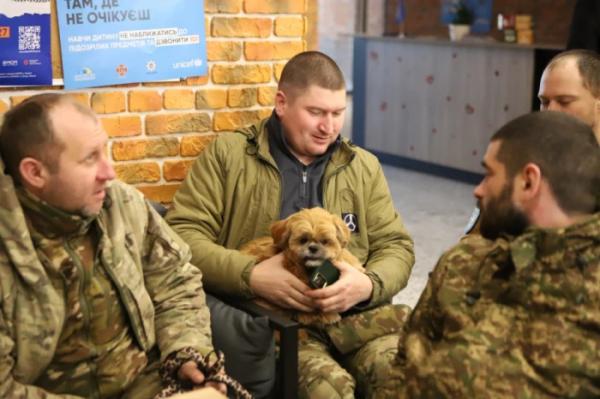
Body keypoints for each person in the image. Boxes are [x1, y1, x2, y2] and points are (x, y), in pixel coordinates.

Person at [166, 51, 415, 398]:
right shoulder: (230, 155)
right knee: (330, 391)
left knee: (405, 378)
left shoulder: (363, 166)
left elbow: (396, 245)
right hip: (282, 327)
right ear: (282, 104)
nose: (328, 127)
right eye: (316, 113)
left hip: (359, 320)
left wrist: (368, 284)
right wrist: (249, 275)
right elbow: (181, 236)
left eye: (337, 114)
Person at [0, 93, 228, 398]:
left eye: (104, 152)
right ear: (35, 172)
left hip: (147, 384)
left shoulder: (122, 204)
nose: (109, 172)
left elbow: (176, 281)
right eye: (90, 158)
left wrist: (186, 351)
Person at [378, 111, 600, 398]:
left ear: (528, 182)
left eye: (489, 174)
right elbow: (401, 369)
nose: (478, 189)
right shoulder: (463, 262)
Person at [465, 48, 600, 234]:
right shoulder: (520, 158)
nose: (550, 112)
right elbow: (475, 240)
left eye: (565, 101)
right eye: (544, 101)